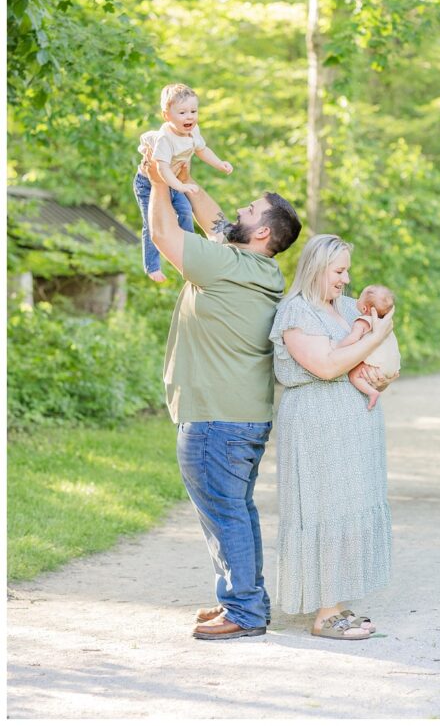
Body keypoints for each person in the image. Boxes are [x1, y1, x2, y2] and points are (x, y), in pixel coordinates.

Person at [142, 149, 302, 640]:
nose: (235, 213)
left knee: (226, 512)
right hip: (243, 417)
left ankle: (246, 613)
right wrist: (187, 181)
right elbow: (214, 219)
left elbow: (165, 235)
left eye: (248, 211)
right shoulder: (260, 269)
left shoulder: (225, 265)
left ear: (261, 235)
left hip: (215, 420)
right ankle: (242, 599)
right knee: (236, 510)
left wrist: (158, 181)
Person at [269, 234, 397, 640]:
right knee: (324, 508)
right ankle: (325, 614)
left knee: (349, 507)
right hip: (316, 426)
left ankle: (337, 601)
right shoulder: (295, 313)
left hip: (354, 426)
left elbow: (362, 358)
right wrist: (374, 339)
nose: (346, 279)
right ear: (316, 268)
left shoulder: (346, 307)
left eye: (347, 270)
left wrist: (380, 372)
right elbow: (325, 366)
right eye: (339, 271)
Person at [134, 83, 233, 283]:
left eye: (193, 111)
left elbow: (202, 150)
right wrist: (179, 186)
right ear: (167, 116)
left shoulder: (193, 131)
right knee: (152, 223)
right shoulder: (165, 139)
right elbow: (160, 169)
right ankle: (152, 266)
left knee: (185, 212)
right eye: (182, 112)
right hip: (150, 183)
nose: (189, 117)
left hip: (177, 181)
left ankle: (190, 253)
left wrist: (219, 164)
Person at [333, 284, 402, 410]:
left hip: (376, 365)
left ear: (364, 308)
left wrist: (336, 346)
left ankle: (372, 393)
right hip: (392, 367)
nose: (356, 300)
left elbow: (353, 338)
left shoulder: (362, 321)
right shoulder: (385, 325)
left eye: (359, 298)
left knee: (353, 374)